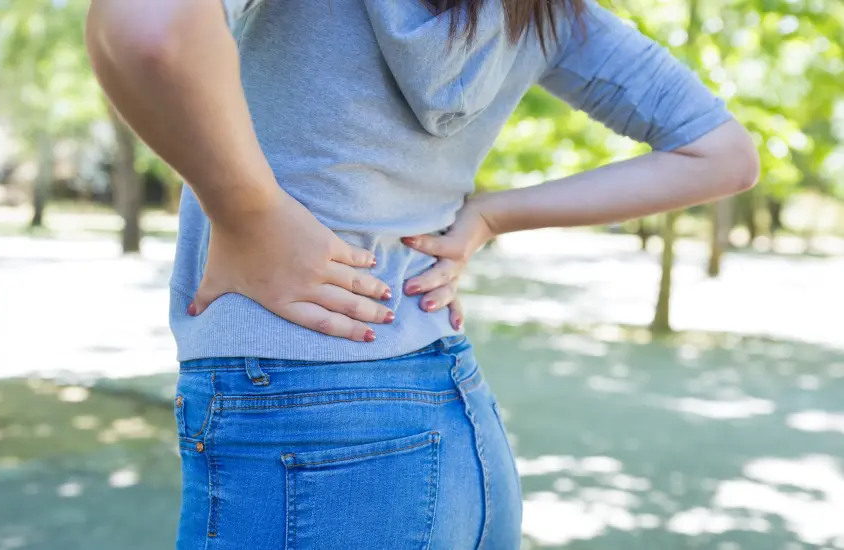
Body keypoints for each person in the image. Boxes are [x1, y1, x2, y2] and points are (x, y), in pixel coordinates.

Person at [86, 0, 759, 548]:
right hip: (462, 424)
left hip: (298, 407)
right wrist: (493, 215)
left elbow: (148, 27)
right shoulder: (548, 12)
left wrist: (248, 212)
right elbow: (723, 155)